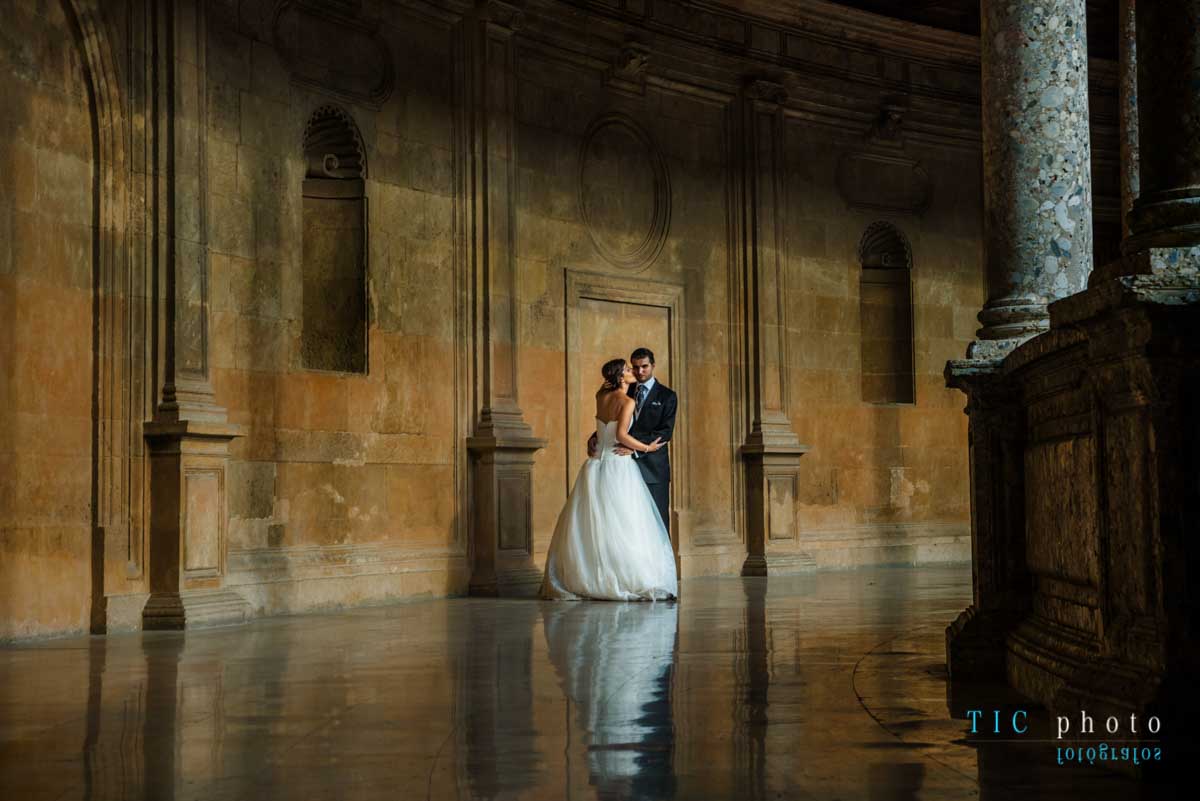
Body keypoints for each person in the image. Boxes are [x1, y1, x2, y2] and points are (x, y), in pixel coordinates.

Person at [540, 358, 678, 601]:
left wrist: (595, 440)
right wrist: (646, 448)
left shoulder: (600, 395)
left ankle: (590, 577)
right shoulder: (627, 401)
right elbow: (622, 435)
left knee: (596, 525)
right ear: (620, 376)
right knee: (624, 524)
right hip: (618, 466)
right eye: (627, 369)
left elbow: (604, 429)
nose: (632, 372)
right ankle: (623, 577)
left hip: (595, 466)